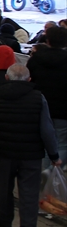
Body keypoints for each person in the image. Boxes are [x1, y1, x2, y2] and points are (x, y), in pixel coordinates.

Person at [0, 64, 61, 227]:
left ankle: (4, 223)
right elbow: (47, 129)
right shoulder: (38, 98)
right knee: (29, 195)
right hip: (31, 154)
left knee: (4, 188)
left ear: (7, 78)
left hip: (3, 151)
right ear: (29, 80)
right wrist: (54, 154)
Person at [26, 25, 67, 165]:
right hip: (63, 108)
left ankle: (43, 170)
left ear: (48, 40)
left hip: (39, 105)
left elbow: (29, 80)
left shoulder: (36, 58)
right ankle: (54, 172)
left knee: (41, 141)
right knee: (61, 142)